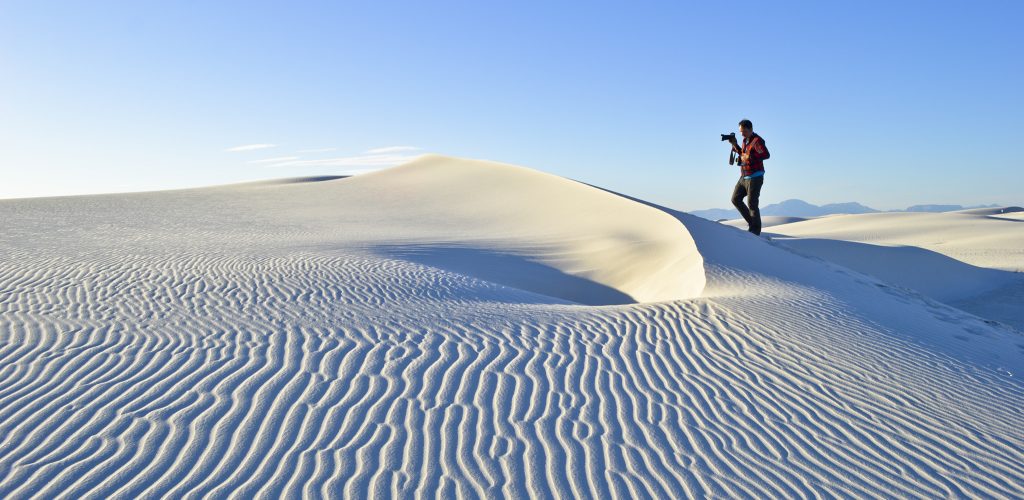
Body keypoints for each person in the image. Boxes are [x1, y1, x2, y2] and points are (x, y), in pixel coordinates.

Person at [728, 119, 770, 235]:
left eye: (744, 131)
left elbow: (766, 154)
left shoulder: (757, 141)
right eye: (741, 132)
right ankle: (752, 223)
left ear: (751, 129)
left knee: (752, 203)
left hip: (755, 177)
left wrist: (750, 157)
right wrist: (734, 144)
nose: (742, 134)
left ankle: (755, 232)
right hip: (744, 176)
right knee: (735, 199)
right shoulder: (745, 140)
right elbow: (743, 154)